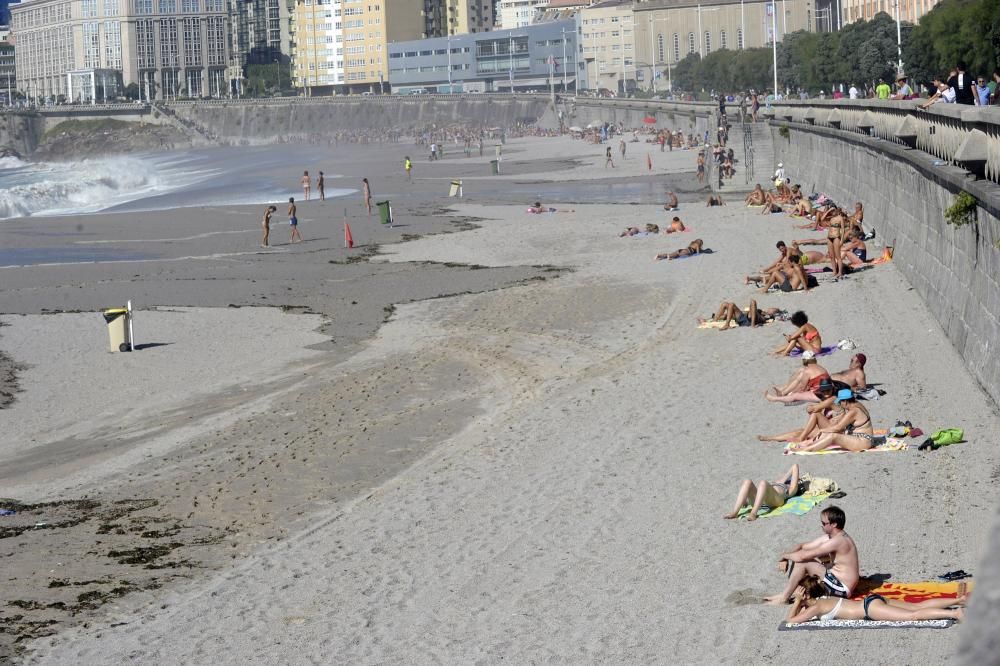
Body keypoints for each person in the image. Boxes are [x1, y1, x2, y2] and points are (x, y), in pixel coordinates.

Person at [763, 505, 860, 605]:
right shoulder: (832, 537)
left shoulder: (839, 541)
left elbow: (803, 557)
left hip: (842, 589)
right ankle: (788, 593)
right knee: (801, 561)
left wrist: (785, 556)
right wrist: (784, 559)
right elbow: (802, 546)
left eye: (823, 523)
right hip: (835, 579)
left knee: (802, 563)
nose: (821, 526)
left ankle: (784, 598)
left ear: (834, 524)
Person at [785, 575, 966, 624]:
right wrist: (801, 601)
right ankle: (958, 600)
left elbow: (791, 621)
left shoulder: (816, 607)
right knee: (915, 606)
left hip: (869, 609)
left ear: (806, 595)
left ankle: (956, 613)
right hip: (872, 600)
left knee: (914, 615)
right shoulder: (824, 597)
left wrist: (798, 601)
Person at [787, 389, 877, 453]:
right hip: (860, 437)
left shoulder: (853, 411)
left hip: (863, 441)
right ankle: (808, 443)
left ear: (845, 401)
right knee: (829, 431)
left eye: (840, 402)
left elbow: (837, 428)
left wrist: (821, 430)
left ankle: (807, 449)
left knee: (833, 436)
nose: (840, 404)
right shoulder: (857, 404)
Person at [723, 463, 801, 522]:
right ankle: (735, 512)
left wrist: (791, 480)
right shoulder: (780, 481)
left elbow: (795, 466)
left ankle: (753, 513)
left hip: (776, 501)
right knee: (747, 482)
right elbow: (793, 468)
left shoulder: (792, 488)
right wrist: (784, 479)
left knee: (763, 483)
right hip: (761, 500)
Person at [765, 356, 831, 404]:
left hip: (821, 393)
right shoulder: (819, 367)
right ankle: (784, 391)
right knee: (800, 377)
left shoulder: (807, 371)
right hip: (826, 388)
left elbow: (803, 388)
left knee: (795, 395)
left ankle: (774, 398)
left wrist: (793, 393)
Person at [700, 299, 781, 330]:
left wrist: (765, 315)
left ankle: (727, 324)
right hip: (744, 317)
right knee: (726, 304)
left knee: (753, 301)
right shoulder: (762, 311)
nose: (770, 308)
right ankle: (713, 321)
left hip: (748, 322)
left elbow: (762, 320)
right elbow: (749, 312)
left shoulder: (768, 316)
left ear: (773, 312)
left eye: (773, 309)